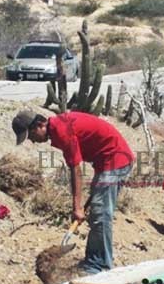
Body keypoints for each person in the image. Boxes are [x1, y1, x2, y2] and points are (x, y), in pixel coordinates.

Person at [12, 110, 133, 274]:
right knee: (98, 211)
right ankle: (95, 260)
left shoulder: (62, 131)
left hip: (115, 160)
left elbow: (76, 170)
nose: (32, 141)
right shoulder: (58, 127)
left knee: (101, 213)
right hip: (104, 162)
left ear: (40, 125)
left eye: (31, 135)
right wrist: (78, 205)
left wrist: (77, 207)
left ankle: (100, 265)